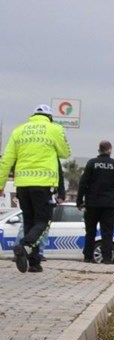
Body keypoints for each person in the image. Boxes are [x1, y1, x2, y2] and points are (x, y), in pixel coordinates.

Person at [0, 104, 72, 273]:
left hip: (23, 185)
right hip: (44, 184)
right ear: (50, 117)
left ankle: (34, 262)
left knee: (29, 222)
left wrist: (1, 185)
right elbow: (65, 153)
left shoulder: (18, 131)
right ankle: (24, 245)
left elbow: (6, 160)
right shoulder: (55, 129)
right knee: (43, 222)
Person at [77, 140, 114, 264]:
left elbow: (83, 183)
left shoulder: (91, 163)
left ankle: (88, 257)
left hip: (92, 203)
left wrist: (79, 201)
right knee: (107, 232)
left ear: (99, 150)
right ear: (110, 150)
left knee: (90, 231)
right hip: (109, 204)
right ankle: (106, 258)